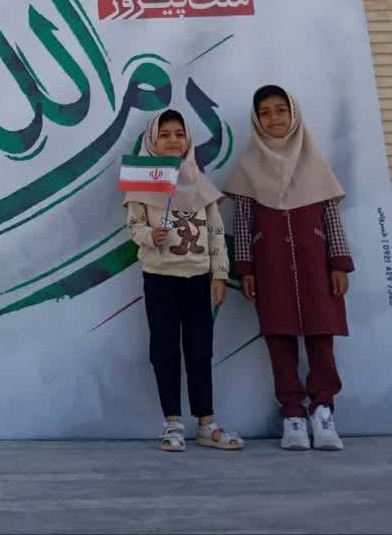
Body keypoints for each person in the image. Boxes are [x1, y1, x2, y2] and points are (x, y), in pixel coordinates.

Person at [226, 85, 352, 451]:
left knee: (321, 338)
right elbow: (243, 222)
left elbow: (331, 216)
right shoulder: (248, 167)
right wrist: (246, 269)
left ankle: (323, 411)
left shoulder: (315, 161)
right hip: (271, 267)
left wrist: (339, 263)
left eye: (281, 110)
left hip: (316, 265)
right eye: (264, 112)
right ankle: (293, 415)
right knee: (279, 340)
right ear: (256, 120)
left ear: (293, 114)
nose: (274, 118)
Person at [125, 110, 243, 452]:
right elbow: (134, 226)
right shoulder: (141, 183)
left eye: (179, 133)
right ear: (152, 141)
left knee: (200, 350)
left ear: (188, 139)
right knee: (164, 350)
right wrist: (150, 236)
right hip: (159, 279)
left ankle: (206, 424)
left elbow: (216, 232)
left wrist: (219, 274)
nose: (173, 140)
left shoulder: (199, 182)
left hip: (198, 279)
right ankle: (172, 423)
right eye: (164, 134)